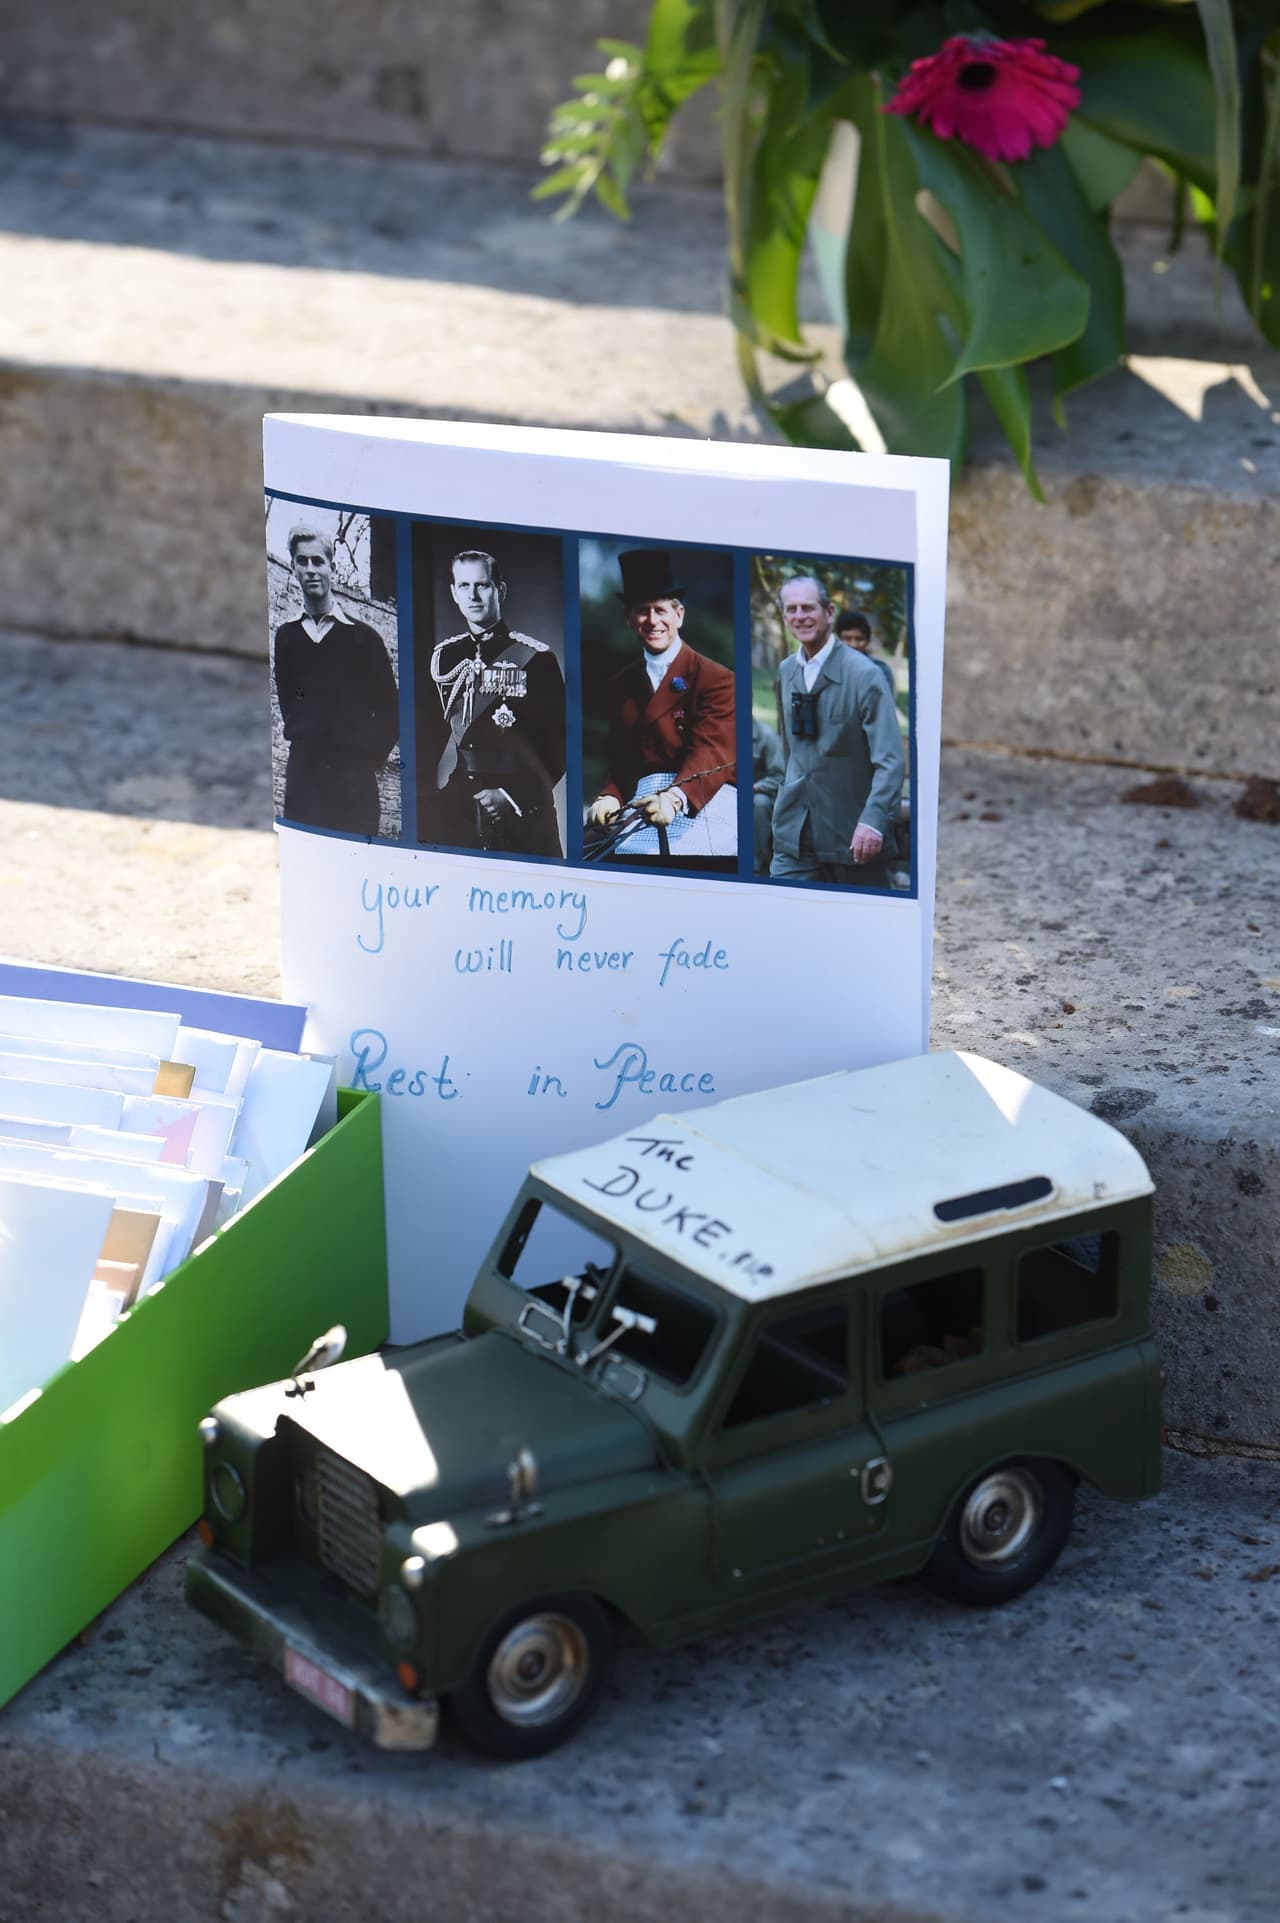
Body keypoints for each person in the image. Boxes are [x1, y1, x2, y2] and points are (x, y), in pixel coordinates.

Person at [586, 549, 736, 860]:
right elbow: (622, 761)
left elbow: (712, 752)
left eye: (660, 610)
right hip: (644, 802)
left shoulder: (715, 678)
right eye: (642, 611)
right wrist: (610, 796)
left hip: (702, 800)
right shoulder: (622, 683)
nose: (652, 621)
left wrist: (676, 797)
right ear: (629, 619)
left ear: (679, 614)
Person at [423, 549, 565, 856]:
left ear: (499, 590)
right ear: (454, 593)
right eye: (464, 586)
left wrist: (512, 796)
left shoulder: (537, 659)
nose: (473, 595)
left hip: (521, 811)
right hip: (459, 807)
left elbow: (559, 748)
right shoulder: (444, 657)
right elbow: (426, 739)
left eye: (482, 585)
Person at [771, 574, 904, 887]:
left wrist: (873, 822)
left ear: (829, 612)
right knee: (781, 915)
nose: (800, 616)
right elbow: (788, 749)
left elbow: (890, 760)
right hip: (795, 831)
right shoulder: (786, 671)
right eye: (791, 609)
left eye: (808, 607)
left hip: (853, 835)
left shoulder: (865, 675)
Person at [273, 524, 399, 836]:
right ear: (293, 567)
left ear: (332, 566)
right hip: (303, 781)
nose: (311, 570)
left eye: (318, 561)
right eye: (302, 562)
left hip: (352, 786)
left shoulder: (365, 639)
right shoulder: (286, 636)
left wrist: (361, 762)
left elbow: (390, 715)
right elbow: (290, 702)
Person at [835, 608, 896, 697]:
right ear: (839, 640)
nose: (853, 645)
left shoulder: (881, 670)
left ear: (867, 641)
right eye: (847, 638)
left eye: (859, 639)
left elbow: (886, 706)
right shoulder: (829, 669)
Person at [751, 715, 785, 875]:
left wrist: (755, 787)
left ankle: (755, 863)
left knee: (759, 803)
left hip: (763, 795)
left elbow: (780, 777)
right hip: (731, 790)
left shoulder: (767, 737)